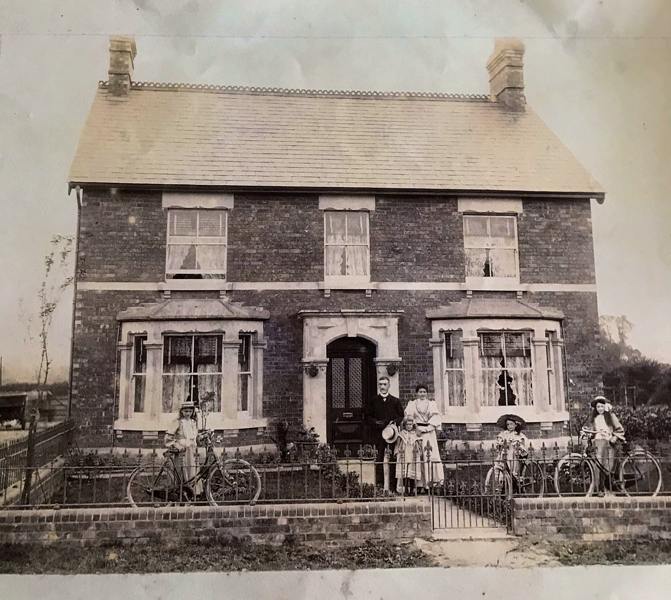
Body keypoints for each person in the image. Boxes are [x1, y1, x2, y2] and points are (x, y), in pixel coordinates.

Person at [363, 376, 404, 486]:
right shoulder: (373, 401)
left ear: (389, 386)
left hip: (391, 434)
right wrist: (375, 422)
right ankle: (379, 485)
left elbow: (401, 416)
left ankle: (392, 486)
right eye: (380, 384)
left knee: (392, 458)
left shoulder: (395, 401)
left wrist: (394, 422)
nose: (382, 387)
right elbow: (367, 416)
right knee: (379, 458)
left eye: (385, 384)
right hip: (378, 434)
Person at [581, 395, 625, 497]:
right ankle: (600, 489)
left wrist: (614, 437)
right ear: (595, 408)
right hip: (597, 442)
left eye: (601, 406)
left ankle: (606, 489)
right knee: (598, 466)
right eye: (598, 407)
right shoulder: (594, 418)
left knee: (605, 466)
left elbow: (619, 429)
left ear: (605, 407)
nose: (600, 409)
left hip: (608, 442)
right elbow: (591, 430)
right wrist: (586, 433)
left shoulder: (610, 417)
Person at [404, 384, 444, 489]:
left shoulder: (431, 404)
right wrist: (416, 427)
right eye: (420, 392)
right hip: (417, 434)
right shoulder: (412, 404)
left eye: (424, 392)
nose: (422, 394)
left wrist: (428, 428)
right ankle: (419, 484)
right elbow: (409, 418)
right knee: (418, 457)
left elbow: (435, 417)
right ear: (416, 393)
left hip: (429, 433)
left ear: (427, 393)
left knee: (430, 455)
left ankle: (432, 483)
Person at [165, 400, 202, 497]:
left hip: (192, 451)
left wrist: (200, 437)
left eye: (190, 411)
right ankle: (180, 494)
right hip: (182, 451)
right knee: (181, 472)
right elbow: (168, 437)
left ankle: (192, 493)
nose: (188, 413)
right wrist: (177, 445)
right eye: (186, 411)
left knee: (192, 471)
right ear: (181, 411)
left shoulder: (193, 422)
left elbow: (194, 436)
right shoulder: (178, 422)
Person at [394, 415, 423, 494]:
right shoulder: (401, 434)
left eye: (410, 424)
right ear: (404, 425)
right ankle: (405, 489)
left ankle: (412, 489)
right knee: (405, 472)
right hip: (404, 454)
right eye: (407, 424)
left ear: (412, 425)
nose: (409, 426)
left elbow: (419, 443)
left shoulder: (415, 434)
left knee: (412, 472)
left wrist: (418, 449)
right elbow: (398, 444)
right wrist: (397, 452)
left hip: (412, 454)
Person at [494, 414, 529, 478]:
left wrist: (517, 444)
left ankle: (514, 475)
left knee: (512, 457)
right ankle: (502, 478)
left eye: (511, 424)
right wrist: (500, 443)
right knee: (501, 459)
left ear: (516, 425)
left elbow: (524, 444)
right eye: (508, 424)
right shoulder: (503, 433)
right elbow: (499, 440)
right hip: (505, 452)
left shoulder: (519, 435)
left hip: (514, 453)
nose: (509, 426)